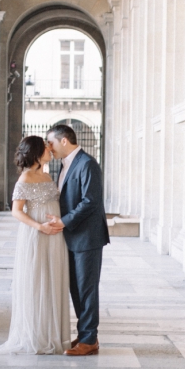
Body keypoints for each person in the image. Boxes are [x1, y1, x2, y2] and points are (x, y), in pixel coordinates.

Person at [0, 136, 71, 355]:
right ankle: (36, 335)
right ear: (36, 153)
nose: (50, 150)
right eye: (45, 147)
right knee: (37, 280)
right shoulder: (25, 178)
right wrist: (40, 226)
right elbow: (16, 211)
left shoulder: (48, 175)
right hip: (36, 235)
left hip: (54, 236)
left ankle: (52, 334)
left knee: (53, 280)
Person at [45, 124, 110, 357]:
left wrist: (64, 221)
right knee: (76, 288)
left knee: (86, 290)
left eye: (50, 142)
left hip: (87, 238)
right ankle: (86, 334)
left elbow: (90, 202)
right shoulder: (65, 165)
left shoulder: (87, 163)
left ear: (64, 141)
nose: (48, 148)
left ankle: (89, 339)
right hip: (72, 237)